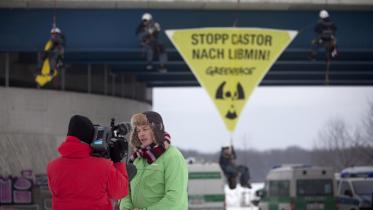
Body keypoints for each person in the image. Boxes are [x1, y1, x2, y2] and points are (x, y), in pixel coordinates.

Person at [47, 115, 129, 210]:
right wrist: (117, 162)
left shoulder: (52, 167)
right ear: (91, 137)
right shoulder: (104, 167)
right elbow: (121, 191)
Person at [119, 111, 188, 210]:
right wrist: (126, 207)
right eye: (138, 131)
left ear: (157, 129)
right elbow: (126, 189)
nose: (141, 134)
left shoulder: (173, 156)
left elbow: (174, 198)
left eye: (145, 129)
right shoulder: (137, 158)